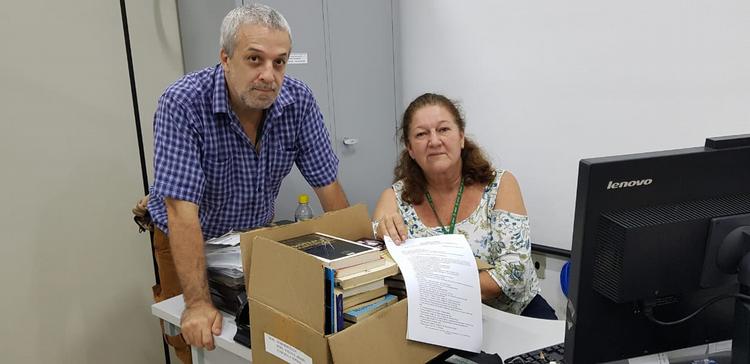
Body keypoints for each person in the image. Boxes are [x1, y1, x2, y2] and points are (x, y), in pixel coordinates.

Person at [145, 4, 348, 362]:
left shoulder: (298, 101)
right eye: (255, 59)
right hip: (188, 235)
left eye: (279, 62)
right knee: (199, 338)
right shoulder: (183, 102)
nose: (269, 75)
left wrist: (354, 267)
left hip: (251, 239)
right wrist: (197, 304)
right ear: (226, 58)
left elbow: (328, 187)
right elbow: (181, 214)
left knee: (257, 336)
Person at [372, 93, 555, 319]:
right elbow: (377, 257)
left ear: (461, 137)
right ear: (410, 149)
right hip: (443, 323)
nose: (434, 141)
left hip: (517, 315)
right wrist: (382, 230)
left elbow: (513, 274)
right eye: (421, 134)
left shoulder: (500, 185)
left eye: (443, 129)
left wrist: (440, 290)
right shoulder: (395, 197)